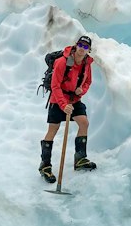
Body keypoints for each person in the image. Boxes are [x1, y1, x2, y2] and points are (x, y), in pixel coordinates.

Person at [39, 34, 97, 182]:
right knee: (53, 129)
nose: (82, 49)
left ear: (88, 50)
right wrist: (63, 105)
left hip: (74, 100)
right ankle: (45, 166)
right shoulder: (62, 62)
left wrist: (81, 91)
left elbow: (88, 82)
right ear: (76, 45)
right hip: (58, 99)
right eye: (81, 45)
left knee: (84, 123)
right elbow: (55, 85)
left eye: (86, 47)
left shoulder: (87, 64)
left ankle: (80, 159)